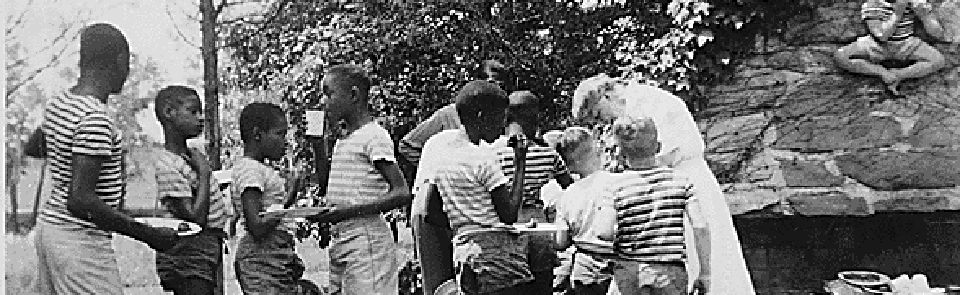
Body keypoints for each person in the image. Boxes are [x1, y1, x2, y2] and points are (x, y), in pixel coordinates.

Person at [29, 23, 181, 295]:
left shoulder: (59, 104)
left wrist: (67, 154)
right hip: (80, 242)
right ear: (119, 61)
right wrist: (148, 234)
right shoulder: (95, 119)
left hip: (50, 230)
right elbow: (80, 199)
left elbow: (34, 147)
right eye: (127, 63)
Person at [571, 75, 755, 294]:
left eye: (598, 114)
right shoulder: (633, 107)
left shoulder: (648, 102)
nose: (604, 121)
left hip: (682, 178)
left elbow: (662, 152)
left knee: (702, 250)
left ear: (605, 96)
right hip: (664, 182)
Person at [405, 60, 517, 295]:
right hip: (438, 211)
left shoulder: (487, 129)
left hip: (456, 215)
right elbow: (408, 147)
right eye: (492, 84)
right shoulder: (448, 120)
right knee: (439, 284)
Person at [305, 64, 412, 295]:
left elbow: (402, 192)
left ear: (353, 95)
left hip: (366, 240)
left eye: (328, 93)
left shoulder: (374, 136)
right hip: (342, 239)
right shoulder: (343, 139)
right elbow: (325, 186)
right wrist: (317, 145)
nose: (324, 102)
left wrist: (349, 212)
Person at [491, 91, 575, 294]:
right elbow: (571, 189)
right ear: (533, 118)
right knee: (542, 283)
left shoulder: (490, 152)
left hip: (505, 222)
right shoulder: (548, 154)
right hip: (538, 223)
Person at [153, 85, 231, 295]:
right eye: (193, 111)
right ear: (169, 113)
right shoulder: (168, 166)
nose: (200, 118)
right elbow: (195, 220)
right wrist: (205, 174)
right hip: (187, 258)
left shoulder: (190, 158)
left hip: (202, 253)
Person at [232, 103, 316, 294]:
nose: (285, 141)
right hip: (261, 257)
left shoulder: (260, 169)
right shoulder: (250, 170)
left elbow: (268, 215)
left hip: (272, 254)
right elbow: (256, 224)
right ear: (257, 134)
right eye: (279, 134)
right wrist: (288, 201)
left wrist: (290, 197)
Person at [542, 127, 611, 295]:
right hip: (614, 266)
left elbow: (561, 242)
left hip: (585, 268)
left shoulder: (568, 195)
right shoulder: (615, 184)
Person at [835, 0, 946, 96]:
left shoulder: (915, 2)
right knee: (841, 56)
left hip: (907, 44)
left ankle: (898, 74)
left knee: (938, 60)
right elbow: (882, 36)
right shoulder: (873, 4)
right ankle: (881, 72)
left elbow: (938, 34)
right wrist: (898, 13)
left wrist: (925, 16)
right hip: (876, 45)